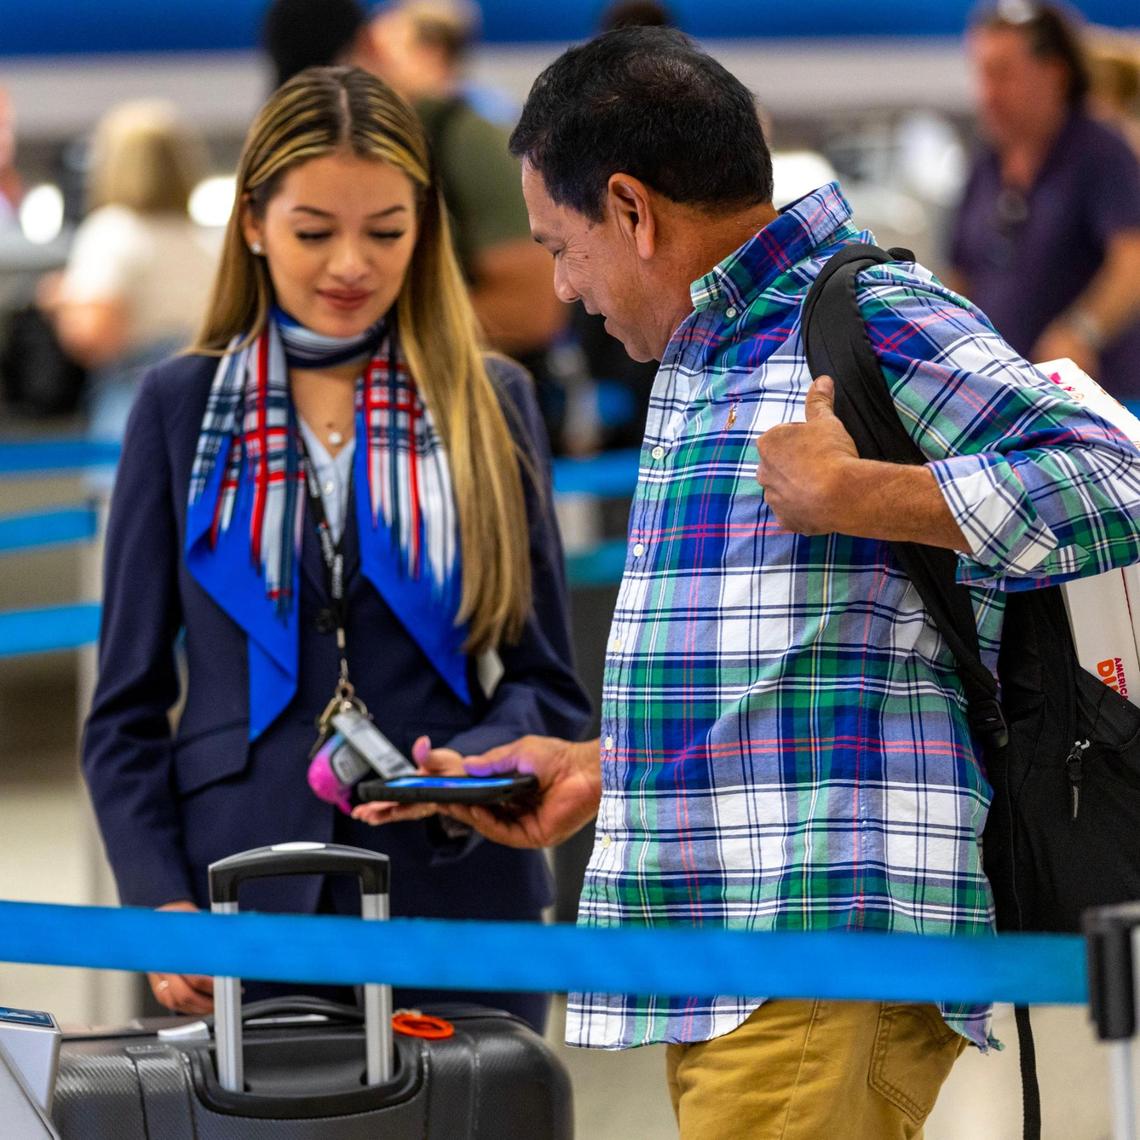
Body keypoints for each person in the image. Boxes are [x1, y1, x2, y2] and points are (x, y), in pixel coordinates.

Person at [354, 28, 1140, 1138]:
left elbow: (1117, 478)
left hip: (814, 934)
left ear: (632, 209)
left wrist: (868, 497)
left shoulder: (858, 318)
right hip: (732, 941)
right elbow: (776, 651)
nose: (566, 287)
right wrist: (600, 770)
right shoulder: (709, 348)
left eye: (561, 245)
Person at [81, 66, 590, 1030]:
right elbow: (125, 710)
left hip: (458, 895)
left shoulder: (491, 404)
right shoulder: (179, 409)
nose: (351, 264)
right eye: (315, 232)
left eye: (386, 231)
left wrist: (462, 766)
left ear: (425, 228)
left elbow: (547, 686)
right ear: (252, 224)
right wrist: (158, 902)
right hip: (236, 904)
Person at [262, 0, 568, 447]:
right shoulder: (289, 152)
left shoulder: (461, 138)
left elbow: (534, 308)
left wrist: (370, 323)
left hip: (469, 425)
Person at [949, 3, 1140, 401]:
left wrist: (1081, 329)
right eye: (982, 74)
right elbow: (961, 274)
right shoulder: (986, 163)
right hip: (1010, 400)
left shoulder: (1099, 152)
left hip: (1100, 400)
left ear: (1054, 73)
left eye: (1003, 74)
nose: (988, 93)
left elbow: (1132, 259)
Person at [37, 99, 218, 440]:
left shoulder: (111, 232)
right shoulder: (205, 242)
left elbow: (95, 336)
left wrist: (63, 304)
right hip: (200, 403)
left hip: (133, 407)